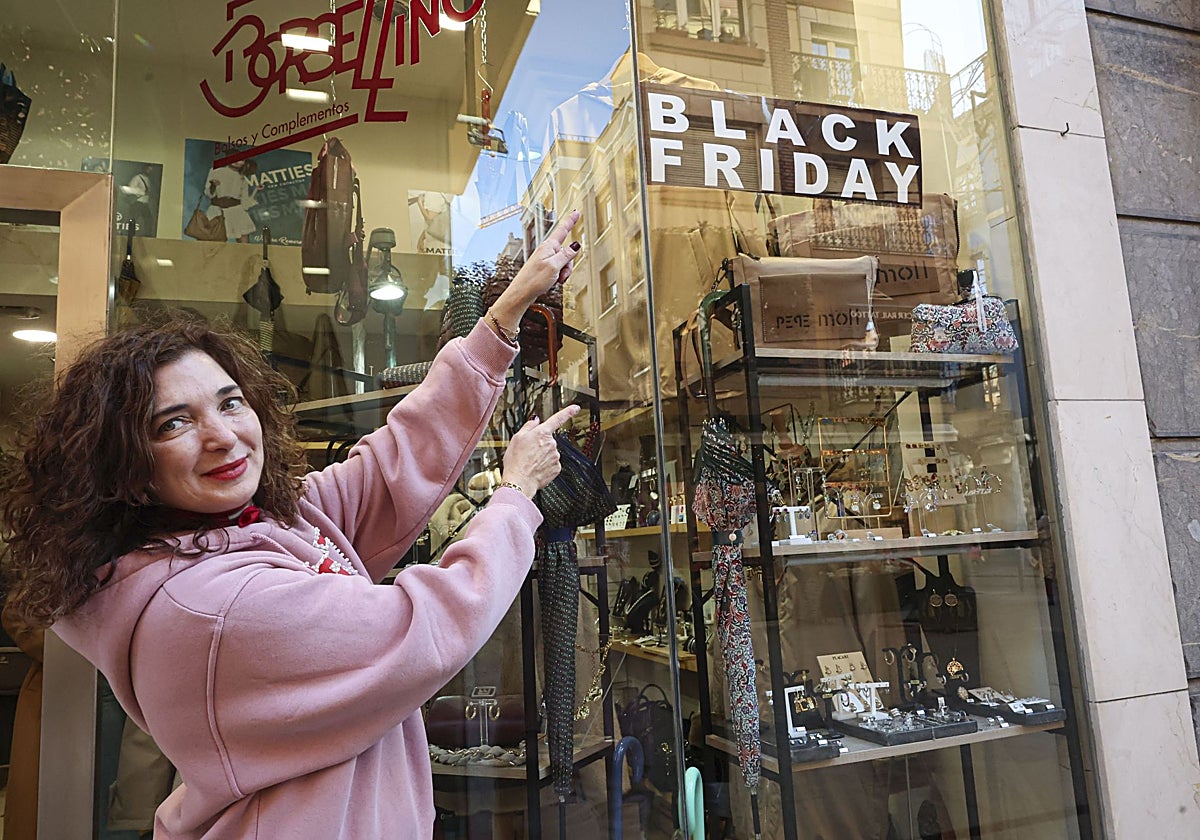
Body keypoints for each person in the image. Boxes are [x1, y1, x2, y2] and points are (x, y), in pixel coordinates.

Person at [0, 211, 585, 839]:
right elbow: (429, 625)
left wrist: (504, 317)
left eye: (229, 403)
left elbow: (392, 461)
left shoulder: (251, 525)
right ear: (126, 466)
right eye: (174, 423)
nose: (223, 436)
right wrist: (517, 494)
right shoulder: (217, 606)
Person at [203, 157, 259, 243]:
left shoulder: (242, 178)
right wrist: (213, 185)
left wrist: (256, 190)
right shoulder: (215, 171)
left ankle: (244, 256)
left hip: (236, 211)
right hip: (218, 211)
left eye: (241, 159)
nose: (237, 161)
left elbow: (245, 203)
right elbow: (209, 194)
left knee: (244, 242)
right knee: (216, 243)